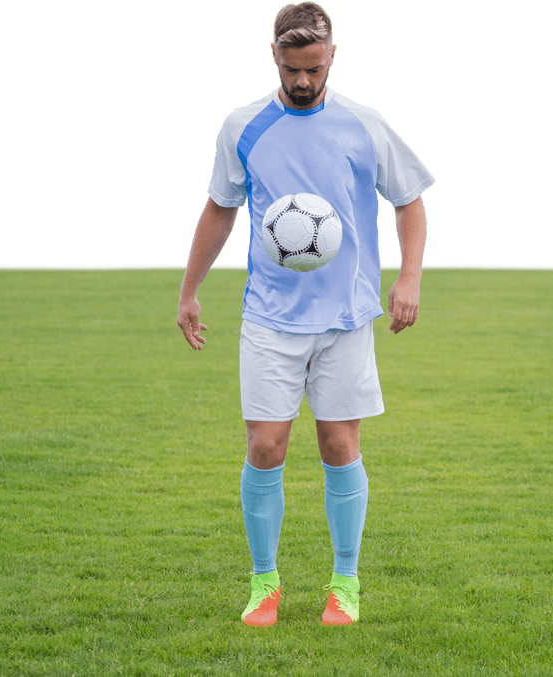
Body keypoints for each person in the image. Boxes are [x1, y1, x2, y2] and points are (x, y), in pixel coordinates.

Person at [177, 2, 434, 626]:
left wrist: (408, 279)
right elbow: (220, 209)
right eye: (293, 68)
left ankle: (344, 583)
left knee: (339, 444)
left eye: (314, 68)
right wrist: (188, 291)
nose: (303, 82)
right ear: (274, 57)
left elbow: (410, 203)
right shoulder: (242, 126)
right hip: (269, 318)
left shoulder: (364, 124)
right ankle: (264, 582)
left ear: (332, 57)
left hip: (345, 318)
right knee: (265, 445)